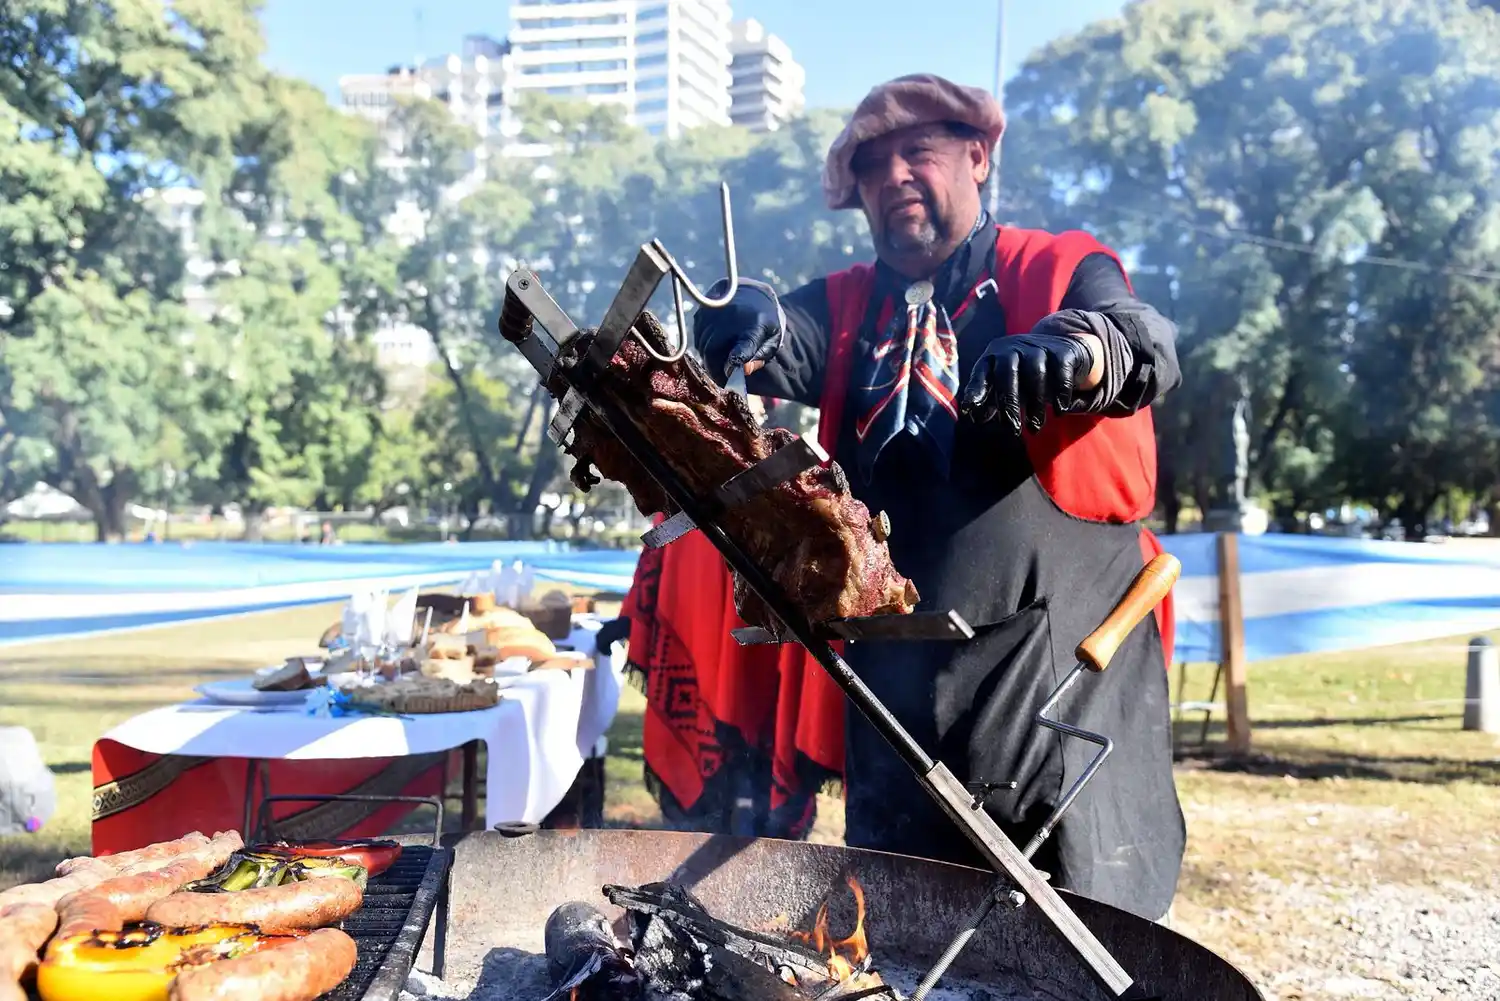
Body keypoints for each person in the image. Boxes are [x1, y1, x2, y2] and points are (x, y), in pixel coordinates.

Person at [692, 74, 1184, 921]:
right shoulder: (849, 305)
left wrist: (1077, 347)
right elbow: (781, 332)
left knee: (1061, 939)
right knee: (897, 924)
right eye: (874, 168)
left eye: (917, 152)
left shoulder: (1056, 266)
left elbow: (1143, 343)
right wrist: (742, 317)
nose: (894, 179)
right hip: (895, 699)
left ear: (978, 156)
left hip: (1053, 687)